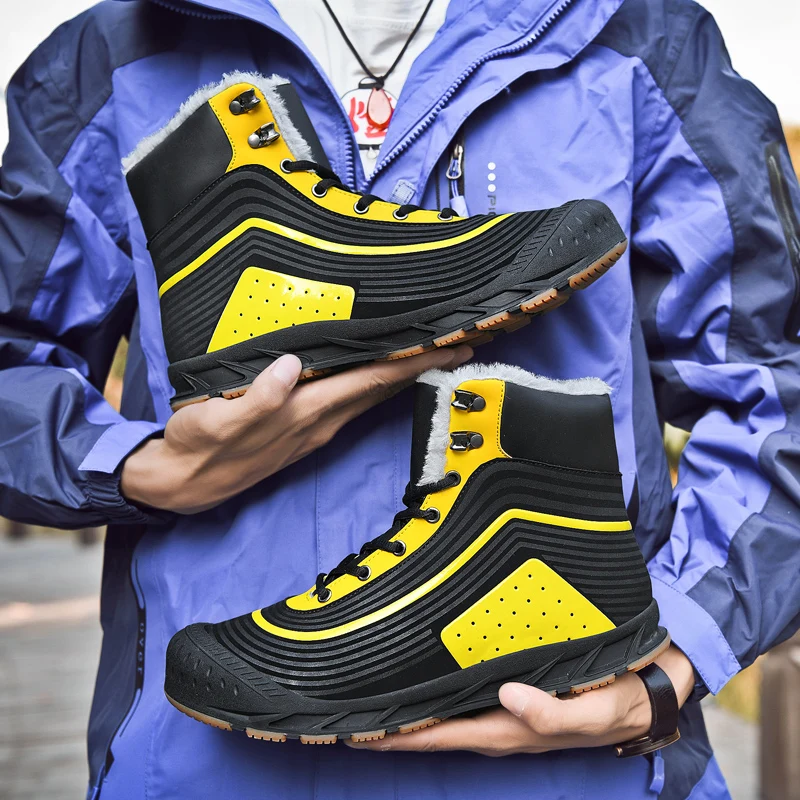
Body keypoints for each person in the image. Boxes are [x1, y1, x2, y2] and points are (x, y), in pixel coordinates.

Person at [0, 1, 798, 798]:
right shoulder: (112, 56)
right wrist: (145, 469)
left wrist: (672, 660)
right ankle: (282, 250)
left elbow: (778, 389)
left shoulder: (641, 37)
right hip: (203, 766)